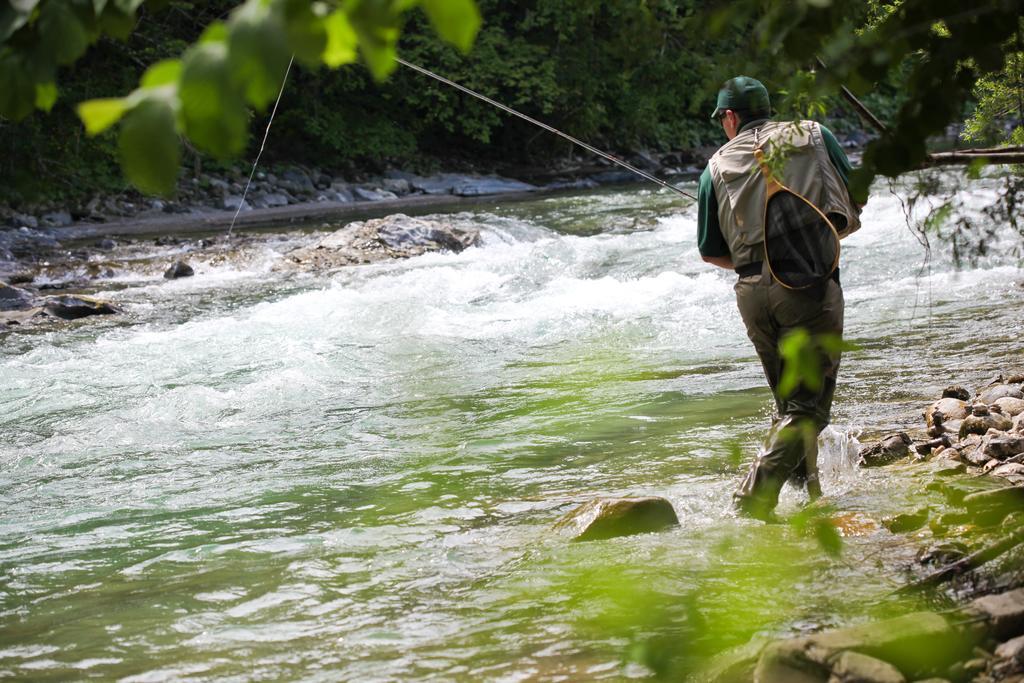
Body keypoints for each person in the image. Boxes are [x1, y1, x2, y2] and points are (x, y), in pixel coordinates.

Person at [696, 76, 862, 521]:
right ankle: (751, 500)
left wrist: (758, 259)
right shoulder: (812, 135)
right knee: (808, 407)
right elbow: (854, 196)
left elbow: (711, 251)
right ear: (768, 108)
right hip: (808, 286)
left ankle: (811, 496)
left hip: (753, 296)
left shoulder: (713, 168)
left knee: (791, 406)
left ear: (730, 117)